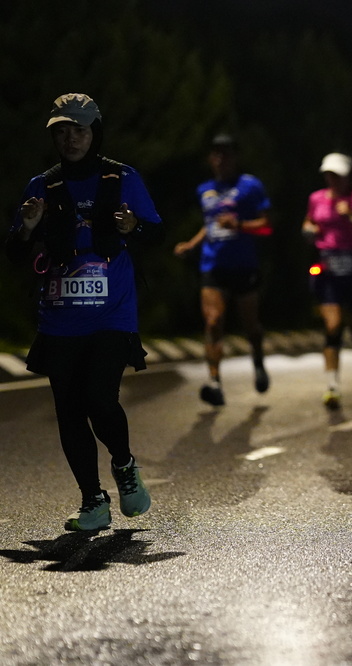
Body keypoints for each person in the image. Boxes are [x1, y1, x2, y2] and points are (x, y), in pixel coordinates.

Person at [4, 93, 162, 530]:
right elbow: (14, 252)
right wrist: (28, 229)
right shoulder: (42, 186)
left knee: (99, 398)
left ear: (95, 133)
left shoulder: (122, 178)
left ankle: (124, 465)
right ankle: (93, 500)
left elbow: (156, 234)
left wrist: (134, 227)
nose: (70, 139)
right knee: (69, 409)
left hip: (112, 313)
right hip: (60, 317)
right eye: (61, 131)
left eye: (79, 130)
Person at [174, 134, 271, 406]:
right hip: (213, 265)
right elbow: (210, 224)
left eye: (226, 154)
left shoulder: (250, 185)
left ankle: (258, 361)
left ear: (235, 157)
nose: (220, 159)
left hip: (244, 266)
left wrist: (239, 225)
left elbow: (266, 225)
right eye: (216, 154)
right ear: (210, 158)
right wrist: (191, 245)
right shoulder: (205, 190)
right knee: (213, 321)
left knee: (251, 325)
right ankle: (214, 382)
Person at [302, 152, 352, 408]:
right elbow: (308, 223)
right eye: (328, 175)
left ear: (348, 177)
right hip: (328, 265)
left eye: (337, 175)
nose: (332, 180)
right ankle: (332, 386)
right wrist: (310, 231)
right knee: (333, 325)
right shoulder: (316, 198)